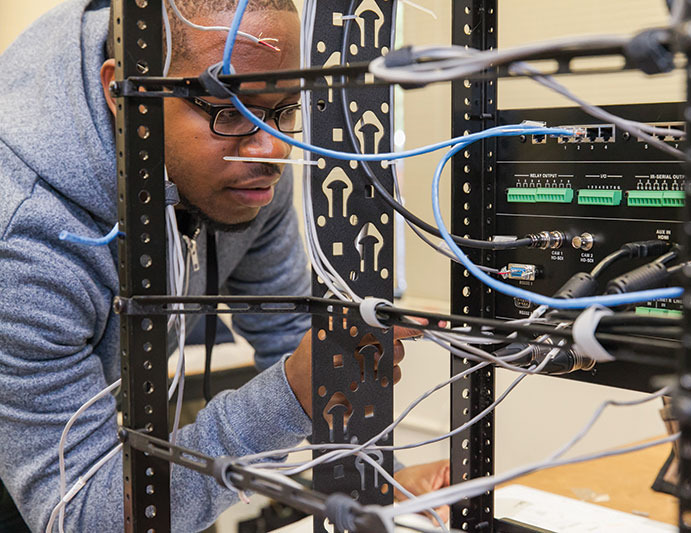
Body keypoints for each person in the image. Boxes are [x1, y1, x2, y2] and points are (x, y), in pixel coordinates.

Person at [0, 0, 447, 531]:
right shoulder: (25, 244)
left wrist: (390, 482)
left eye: (284, 110)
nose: (268, 150)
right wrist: (294, 396)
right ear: (124, 94)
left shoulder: (247, 174)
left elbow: (290, 334)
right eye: (230, 110)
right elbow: (75, 515)